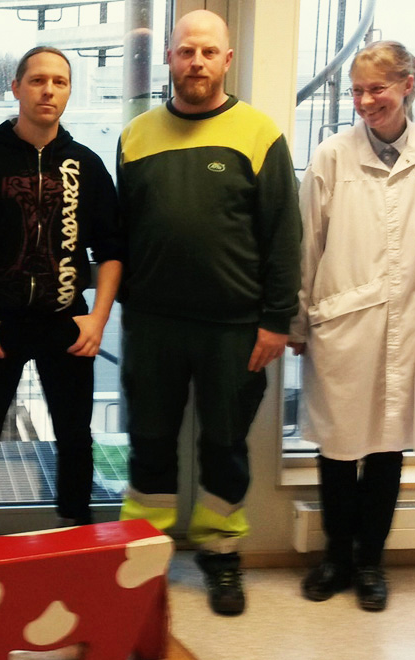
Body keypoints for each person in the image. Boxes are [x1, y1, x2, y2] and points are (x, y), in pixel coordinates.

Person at [116, 9, 302, 616]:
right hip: (152, 326)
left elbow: (284, 235)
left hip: (235, 330)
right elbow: (123, 234)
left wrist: (276, 320)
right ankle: (144, 559)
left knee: (224, 445)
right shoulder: (135, 136)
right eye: (185, 50)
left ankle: (221, 557)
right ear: (169, 58)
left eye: (207, 51)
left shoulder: (259, 134)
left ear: (226, 59)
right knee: (149, 442)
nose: (196, 61)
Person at [290, 41, 415, 612]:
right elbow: (307, 244)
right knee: (339, 447)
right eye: (357, 91)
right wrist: (297, 321)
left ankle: (370, 562)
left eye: (377, 89)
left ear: (407, 84)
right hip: (341, 319)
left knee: (389, 446)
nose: (366, 102)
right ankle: (335, 558)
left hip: (410, 322)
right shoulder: (332, 155)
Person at [0, 47, 124, 540]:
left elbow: (112, 249)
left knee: (76, 439)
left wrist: (98, 318)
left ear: (69, 91)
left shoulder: (86, 165)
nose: (48, 90)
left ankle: (74, 535)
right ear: (16, 87)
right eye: (37, 80)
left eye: (59, 82)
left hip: (66, 322)